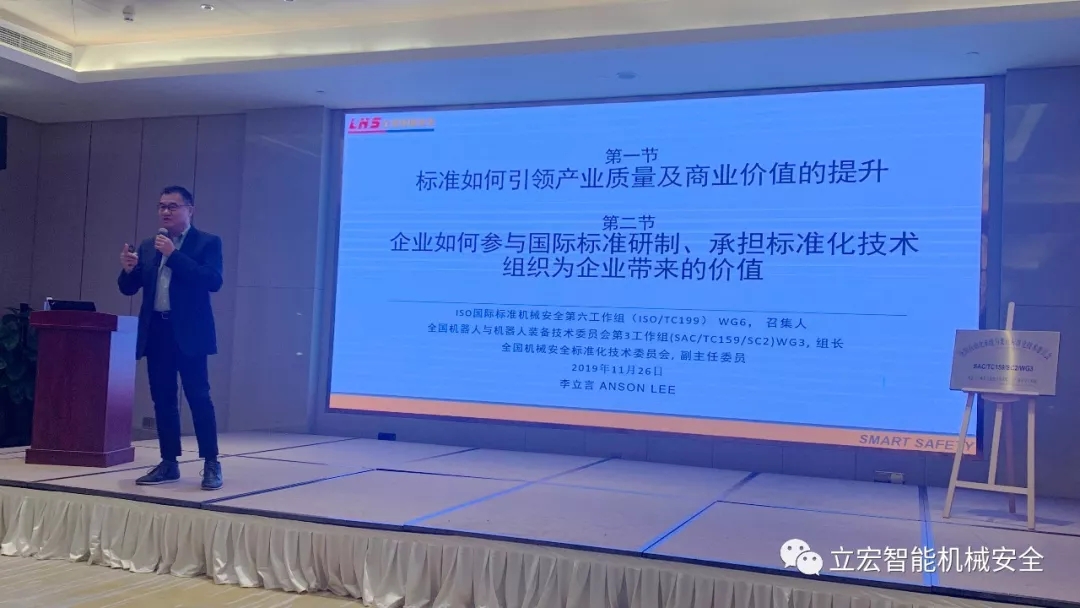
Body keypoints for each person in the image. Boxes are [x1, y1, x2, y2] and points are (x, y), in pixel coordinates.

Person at [118, 185, 224, 490]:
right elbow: (129, 288)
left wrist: (174, 255)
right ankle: (168, 462)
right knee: (163, 399)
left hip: (190, 334)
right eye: (162, 206)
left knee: (198, 397)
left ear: (190, 210)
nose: (166, 211)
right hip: (157, 332)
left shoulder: (207, 242)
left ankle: (211, 462)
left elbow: (213, 280)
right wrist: (128, 270)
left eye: (173, 206)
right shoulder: (149, 245)